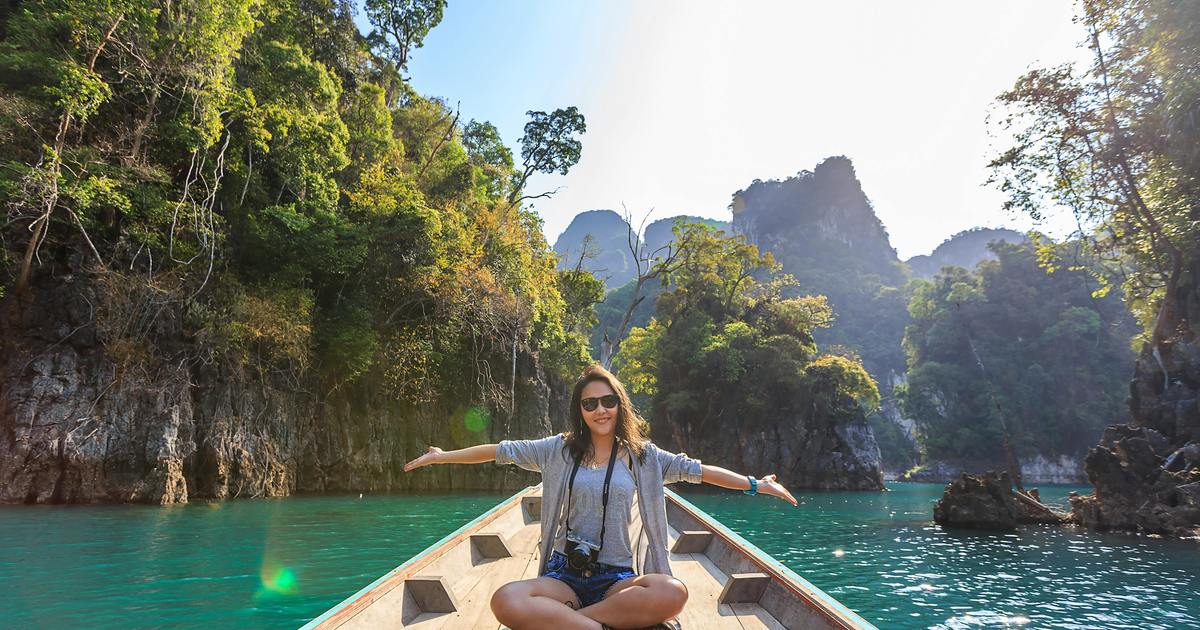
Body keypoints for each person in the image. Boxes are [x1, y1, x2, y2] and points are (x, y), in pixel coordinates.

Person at [403, 364, 797, 630]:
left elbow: (700, 470)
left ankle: (571, 623)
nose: (600, 410)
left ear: (619, 404)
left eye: (608, 401)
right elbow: (498, 450)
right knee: (505, 600)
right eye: (590, 403)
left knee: (671, 592)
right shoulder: (556, 450)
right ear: (580, 409)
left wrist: (755, 484)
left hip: (616, 578)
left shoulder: (645, 457)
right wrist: (442, 457)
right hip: (564, 574)